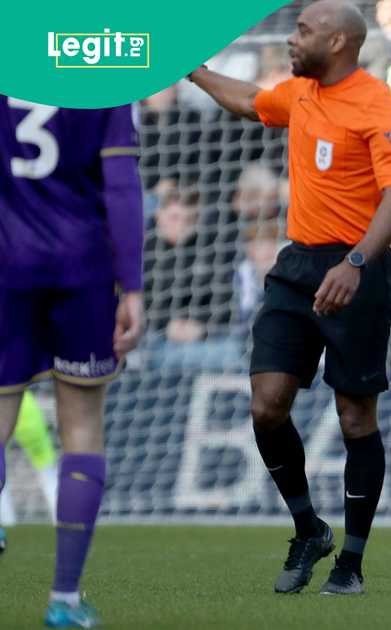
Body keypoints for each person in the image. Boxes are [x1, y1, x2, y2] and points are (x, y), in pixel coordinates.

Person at [186, 0, 391, 595]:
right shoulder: (301, 92)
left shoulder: (379, 106)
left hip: (357, 267)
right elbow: (247, 100)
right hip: (296, 265)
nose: (292, 39)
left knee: (354, 414)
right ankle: (308, 527)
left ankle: (353, 561)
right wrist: (192, 68)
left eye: (304, 31)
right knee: (266, 403)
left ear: (339, 42)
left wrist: (358, 261)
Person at [0, 97, 145, 627]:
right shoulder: (100, 68)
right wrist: (132, 286)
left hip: (6, 265)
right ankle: (63, 600)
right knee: (81, 426)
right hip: (82, 267)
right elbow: (122, 185)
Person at [0, 391, 62, 548]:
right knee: (47, 471)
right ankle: (62, 521)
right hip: (22, 402)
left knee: (46, 469)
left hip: (18, 404)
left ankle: (7, 522)